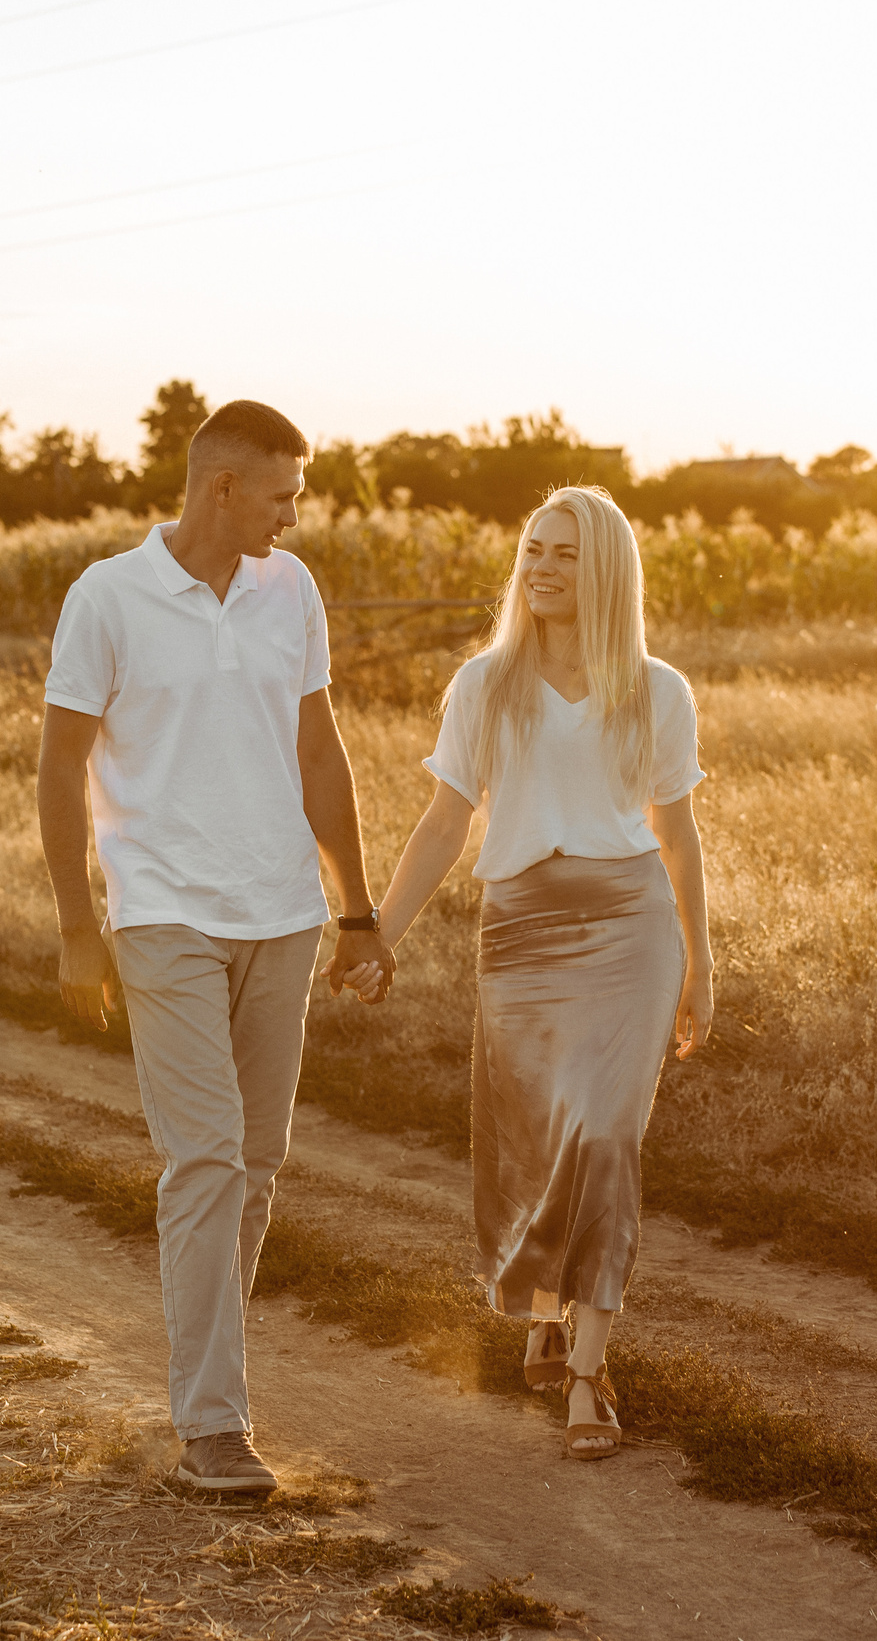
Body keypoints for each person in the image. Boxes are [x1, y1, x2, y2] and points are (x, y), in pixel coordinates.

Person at [37, 398, 393, 1495]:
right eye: (282, 494)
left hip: (280, 911)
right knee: (206, 1157)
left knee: (257, 1165)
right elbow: (60, 768)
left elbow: (319, 750)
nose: (296, 515)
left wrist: (358, 908)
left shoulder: (292, 591)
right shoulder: (108, 595)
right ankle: (214, 1426)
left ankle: (205, 1380)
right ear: (222, 487)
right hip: (161, 911)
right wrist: (76, 929)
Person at [351, 485, 713, 1462]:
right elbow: (441, 822)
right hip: (519, 930)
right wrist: (376, 932)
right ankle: (543, 1307)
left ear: (607, 571)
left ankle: (588, 1370)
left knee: (603, 1134)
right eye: (530, 549)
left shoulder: (658, 689)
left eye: (564, 553)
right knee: (535, 1139)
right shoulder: (484, 683)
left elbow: (676, 837)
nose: (540, 567)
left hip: (632, 928)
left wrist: (700, 963)